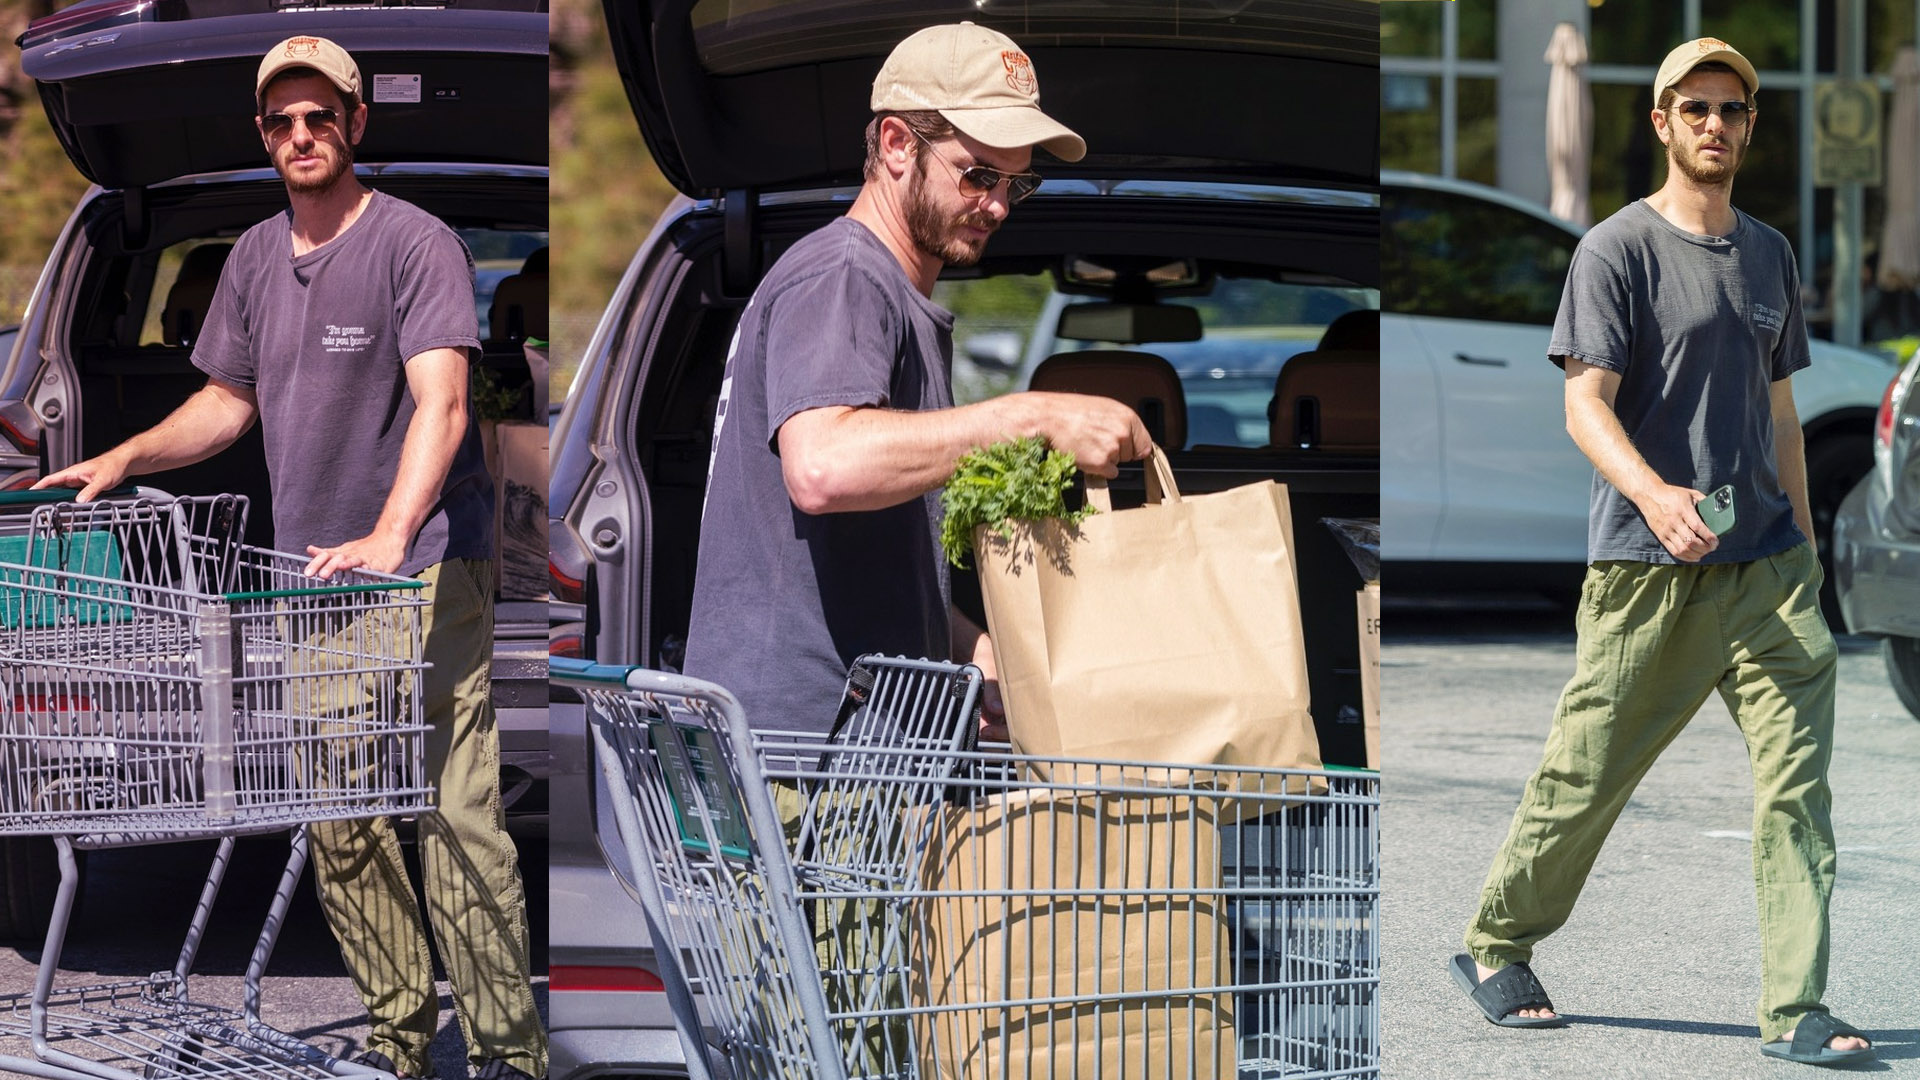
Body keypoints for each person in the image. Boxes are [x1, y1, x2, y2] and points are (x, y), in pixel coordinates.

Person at [38, 36, 547, 1080]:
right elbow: (228, 402)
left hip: (426, 572)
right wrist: (121, 456)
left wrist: (394, 536)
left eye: (322, 117)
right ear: (264, 135)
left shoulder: (415, 243)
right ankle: (403, 1039)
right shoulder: (256, 261)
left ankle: (507, 1051)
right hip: (312, 586)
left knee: (458, 820)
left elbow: (444, 402)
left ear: (356, 125)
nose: (302, 136)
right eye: (282, 122)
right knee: (340, 828)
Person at [1448, 38, 1873, 1067]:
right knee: (1588, 777)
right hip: (1649, 569)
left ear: (1749, 126)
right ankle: (1497, 940)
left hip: (1768, 570)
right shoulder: (1616, 251)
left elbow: (1780, 414)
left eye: (1732, 109)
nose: (1715, 125)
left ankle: (1797, 1008)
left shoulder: (1770, 253)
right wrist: (1655, 492)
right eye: (1696, 109)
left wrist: (1807, 550)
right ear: (1661, 123)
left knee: (1798, 790)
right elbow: (1582, 405)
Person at [683, 21, 1151, 738]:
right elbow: (825, 467)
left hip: (842, 753)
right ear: (898, 144)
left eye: (1016, 182)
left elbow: (869, 559)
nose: (997, 205)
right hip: (805, 758)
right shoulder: (844, 277)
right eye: (979, 174)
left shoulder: (885, 294)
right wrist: (1030, 416)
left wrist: (971, 647)